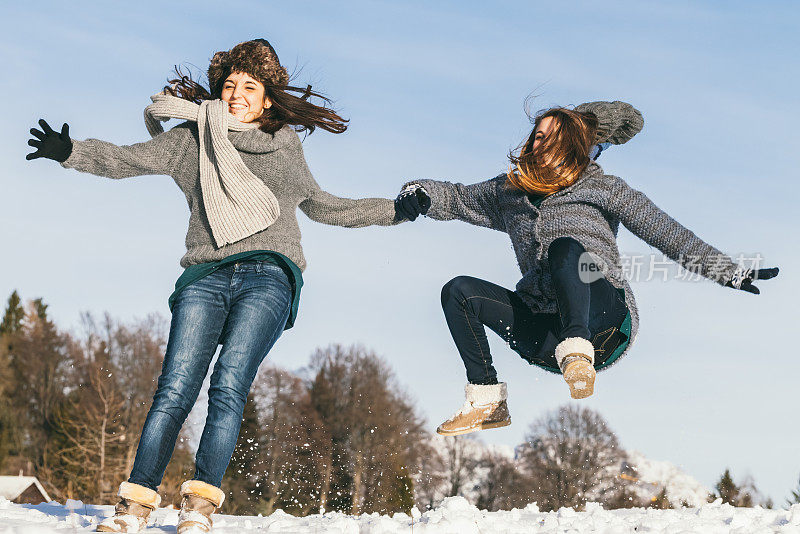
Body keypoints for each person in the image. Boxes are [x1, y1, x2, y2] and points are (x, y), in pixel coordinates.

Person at [27, 39, 402, 533]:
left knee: (228, 383)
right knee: (175, 388)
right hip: (205, 275)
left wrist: (396, 209)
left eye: (250, 86)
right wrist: (71, 152)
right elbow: (127, 159)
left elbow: (324, 205)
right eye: (229, 84)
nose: (236, 94)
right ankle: (135, 505)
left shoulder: (284, 146)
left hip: (269, 274)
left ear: (267, 98)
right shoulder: (192, 141)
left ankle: (198, 509)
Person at [395, 101, 778, 437]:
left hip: (604, 323)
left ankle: (578, 350)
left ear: (572, 146)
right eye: (535, 135)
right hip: (545, 334)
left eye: (548, 137)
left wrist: (726, 270)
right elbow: (455, 195)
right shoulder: (509, 192)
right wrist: (418, 192)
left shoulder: (604, 187)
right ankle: (486, 399)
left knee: (566, 250)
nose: (536, 143)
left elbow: (668, 233)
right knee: (459, 290)